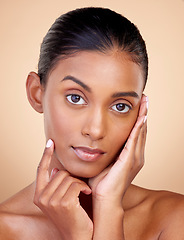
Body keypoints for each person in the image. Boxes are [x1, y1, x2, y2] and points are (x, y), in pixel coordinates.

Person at [0, 6, 184, 240]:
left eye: (120, 106)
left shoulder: (174, 218)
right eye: (75, 98)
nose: (96, 130)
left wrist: (108, 206)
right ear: (37, 93)